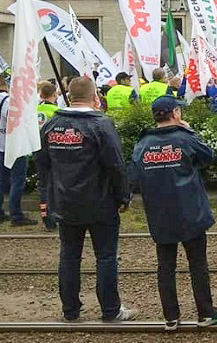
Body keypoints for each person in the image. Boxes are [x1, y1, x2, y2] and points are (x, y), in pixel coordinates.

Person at [35, 77, 136, 322]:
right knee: (106, 256)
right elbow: (115, 165)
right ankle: (110, 310)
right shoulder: (101, 125)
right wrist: (123, 196)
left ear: (69, 96)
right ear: (95, 98)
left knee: (69, 256)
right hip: (100, 203)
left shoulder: (51, 126)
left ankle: (70, 310)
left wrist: (47, 200)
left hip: (66, 202)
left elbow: (43, 165)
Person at [129, 95, 217, 331]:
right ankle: (205, 312)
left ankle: (170, 317)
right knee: (197, 263)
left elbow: (133, 178)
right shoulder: (186, 139)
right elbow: (208, 157)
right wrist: (191, 132)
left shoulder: (143, 144)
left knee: (165, 265)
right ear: (175, 113)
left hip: (160, 213)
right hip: (190, 211)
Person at [0, 75, 35, 226]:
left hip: (0, 146)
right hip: (13, 145)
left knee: (1, 181)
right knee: (17, 180)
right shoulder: (7, 101)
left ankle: (1, 213)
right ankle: (16, 214)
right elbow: (14, 119)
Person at [38, 81, 60, 231]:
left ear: (40, 95)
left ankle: (45, 215)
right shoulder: (57, 112)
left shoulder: (35, 109)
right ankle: (54, 214)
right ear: (54, 94)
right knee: (54, 184)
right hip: (53, 151)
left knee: (43, 185)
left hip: (37, 149)